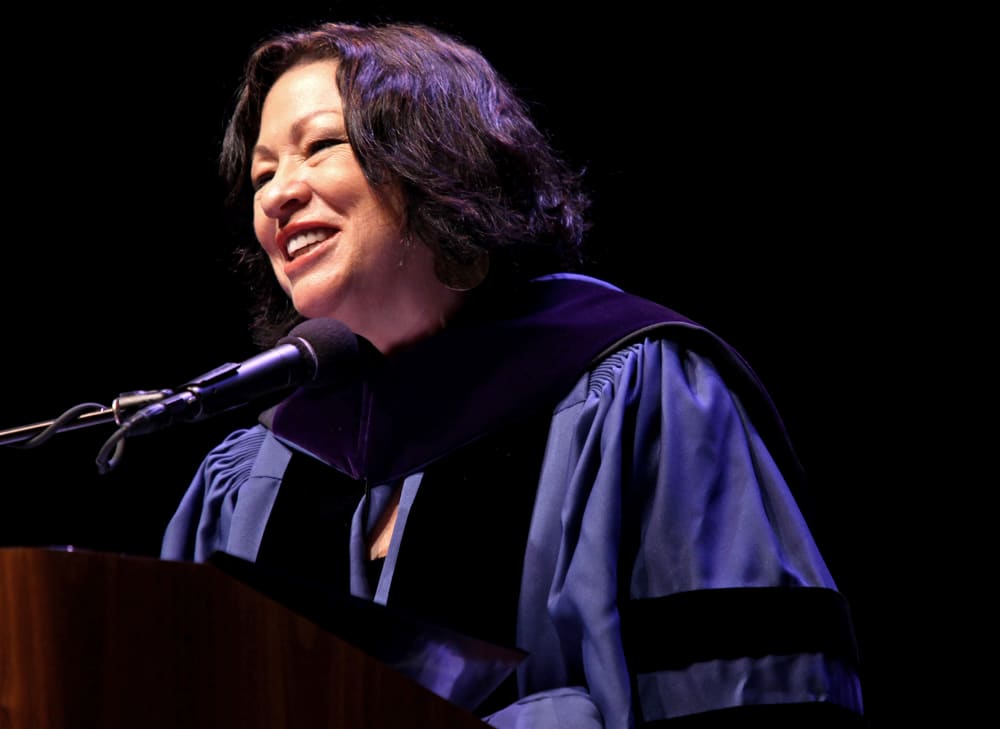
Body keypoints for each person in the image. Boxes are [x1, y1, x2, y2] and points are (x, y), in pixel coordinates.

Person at [159, 19, 866, 728]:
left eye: (319, 146)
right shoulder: (259, 467)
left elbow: (756, 690)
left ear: (434, 162)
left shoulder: (632, 390)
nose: (280, 193)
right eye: (262, 173)